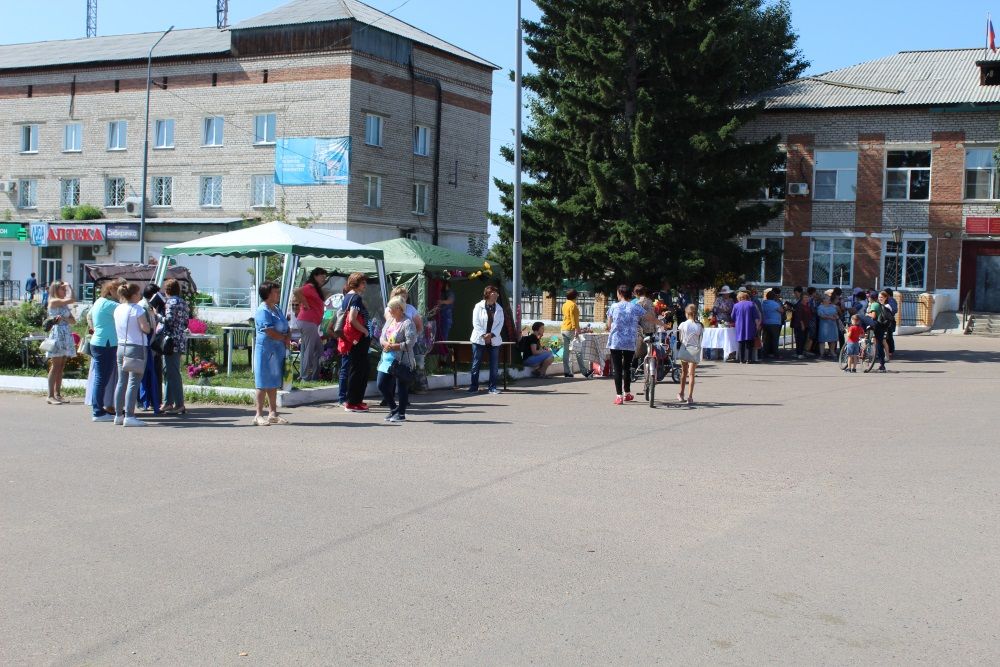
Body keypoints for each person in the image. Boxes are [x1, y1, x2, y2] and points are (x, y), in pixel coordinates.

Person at [113, 282, 152, 427]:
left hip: (121, 346)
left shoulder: (118, 308)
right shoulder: (138, 309)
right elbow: (145, 329)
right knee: (133, 382)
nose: (140, 295)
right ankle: (129, 415)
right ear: (134, 295)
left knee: (121, 381)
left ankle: (118, 415)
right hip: (136, 347)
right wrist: (149, 325)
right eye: (138, 293)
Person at [253, 281, 291, 426]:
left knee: (274, 381)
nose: (278, 294)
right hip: (265, 350)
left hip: (278, 349)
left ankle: (273, 413)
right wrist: (284, 338)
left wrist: (288, 335)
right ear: (268, 294)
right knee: (262, 382)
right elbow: (268, 331)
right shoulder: (263, 310)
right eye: (275, 292)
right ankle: (258, 415)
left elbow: (285, 325)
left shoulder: (276, 308)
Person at [377, 296, 417, 423]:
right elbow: (382, 337)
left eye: (392, 308)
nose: (389, 311)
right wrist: (384, 343)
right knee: (381, 384)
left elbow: (411, 343)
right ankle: (394, 408)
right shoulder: (390, 321)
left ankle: (401, 414)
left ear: (399, 309)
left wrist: (395, 346)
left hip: (401, 360)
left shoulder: (407, 323)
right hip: (387, 358)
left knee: (401, 388)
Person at [606, 284, 647, 405]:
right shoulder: (635, 307)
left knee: (618, 369)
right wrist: (661, 323)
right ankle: (627, 393)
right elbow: (648, 317)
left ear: (620, 293)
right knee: (627, 367)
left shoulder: (613, 306)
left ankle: (619, 396)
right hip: (629, 341)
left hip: (616, 341)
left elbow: (609, 324)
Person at [88, 280, 122, 421]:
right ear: (111, 291)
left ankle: (98, 409)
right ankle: (97, 411)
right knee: (101, 379)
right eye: (118, 291)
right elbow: (125, 309)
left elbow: (88, 316)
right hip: (105, 344)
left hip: (99, 342)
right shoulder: (110, 304)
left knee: (101, 378)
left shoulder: (99, 302)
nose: (120, 294)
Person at [339, 272, 372, 412]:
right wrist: (365, 331)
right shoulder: (356, 298)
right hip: (358, 339)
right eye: (363, 283)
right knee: (358, 370)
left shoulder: (348, 296)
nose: (365, 285)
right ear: (356, 283)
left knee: (359, 369)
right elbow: (352, 318)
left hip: (354, 339)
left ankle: (356, 400)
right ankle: (352, 402)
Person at [44, 281, 76, 405]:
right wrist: (69, 285)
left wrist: (64, 319)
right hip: (57, 334)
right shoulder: (54, 301)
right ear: (56, 290)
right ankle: (50, 395)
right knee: (55, 365)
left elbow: (73, 321)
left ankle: (57, 394)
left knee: (61, 366)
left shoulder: (64, 305)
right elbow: (72, 299)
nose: (65, 291)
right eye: (63, 289)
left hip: (66, 334)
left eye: (65, 289)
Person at [469, 285, 505, 394]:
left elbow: (500, 324)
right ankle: (474, 387)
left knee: (494, 365)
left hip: (494, 339)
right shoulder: (478, 306)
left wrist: (492, 335)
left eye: (496, 294)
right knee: (476, 363)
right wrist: (484, 335)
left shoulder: (499, 308)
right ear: (487, 295)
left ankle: (492, 387)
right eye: (493, 294)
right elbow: (476, 323)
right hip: (479, 339)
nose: (495, 296)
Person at [161, 278, 189, 415]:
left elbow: (169, 321)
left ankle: (179, 404)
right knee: (169, 371)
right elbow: (185, 322)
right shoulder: (183, 302)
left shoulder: (170, 303)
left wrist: (157, 315)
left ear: (167, 290)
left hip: (171, 341)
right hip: (180, 339)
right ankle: (168, 402)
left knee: (172, 373)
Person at [296, 268, 328, 381]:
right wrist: (304, 303)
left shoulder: (316, 289)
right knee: (311, 351)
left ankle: (313, 376)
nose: (324, 278)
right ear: (315, 276)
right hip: (307, 322)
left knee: (316, 350)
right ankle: (305, 377)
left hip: (311, 323)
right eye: (322, 276)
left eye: (325, 276)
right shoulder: (310, 286)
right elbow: (297, 291)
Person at [138, 283, 165, 414]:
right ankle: (145, 401)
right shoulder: (143, 306)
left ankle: (151, 400)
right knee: (147, 374)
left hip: (152, 344)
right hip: (147, 344)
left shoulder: (149, 306)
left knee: (153, 374)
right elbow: (146, 327)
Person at [675, 304, 703, 404]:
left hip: (685, 349)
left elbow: (680, 338)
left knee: (684, 372)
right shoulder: (699, 325)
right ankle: (690, 396)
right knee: (692, 374)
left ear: (687, 313)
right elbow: (700, 338)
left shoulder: (683, 324)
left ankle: (681, 394)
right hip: (695, 349)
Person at [560, 289, 589, 378]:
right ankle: (584, 372)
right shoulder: (573, 305)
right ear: (575, 296)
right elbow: (574, 319)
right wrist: (577, 330)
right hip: (571, 330)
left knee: (566, 351)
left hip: (564, 329)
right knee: (578, 351)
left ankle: (567, 371)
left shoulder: (564, 304)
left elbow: (566, 317)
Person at [867, 290, 893, 373]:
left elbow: (875, 316)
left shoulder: (884, 306)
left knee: (881, 343)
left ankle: (883, 360)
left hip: (880, 326)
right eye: (879, 297)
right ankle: (880, 362)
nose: (880, 298)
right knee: (879, 343)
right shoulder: (880, 305)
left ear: (886, 298)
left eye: (882, 297)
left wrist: (867, 314)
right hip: (881, 326)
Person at [731, 290, 760, 364]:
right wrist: (757, 326)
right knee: (749, 343)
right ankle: (749, 359)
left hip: (740, 326)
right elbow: (756, 317)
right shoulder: (752, 304)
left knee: (741, 343)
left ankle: (741, 360)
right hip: (750, 326)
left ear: (739, 298)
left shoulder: (736, 305)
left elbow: (732, 317)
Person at [709, 285, 735, 360]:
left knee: (726, 338)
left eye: (727, 293)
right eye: (725, 293)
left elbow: (733, 310)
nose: (726, 294)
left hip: (728, 321)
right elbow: (714, 309)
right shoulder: (718, 299)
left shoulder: (731, 300)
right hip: (719, 320)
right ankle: (716, 355)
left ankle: (725, 354)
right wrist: (723, 310)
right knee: (718, 337)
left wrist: (728, 311)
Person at [760, 288, 784, 359]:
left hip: (765, 323)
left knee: (766, 339)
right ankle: (776, 354)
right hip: (775, 323)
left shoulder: (763, 303)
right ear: (773, 297)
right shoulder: (775, 304)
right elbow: (781, 311)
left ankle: (765, 353)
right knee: (775, 339)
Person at [816, 294, 840, 358]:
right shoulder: (820, 307)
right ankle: (822, 353)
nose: (829, 299)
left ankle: (832, 352)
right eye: (827, 298)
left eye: (829, 298)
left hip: (832, 325)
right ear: (823, 300)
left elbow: (836, 314)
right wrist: (830, 317)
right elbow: (820, 315)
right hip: (824, 326)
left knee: (833, 339)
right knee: (822, 340)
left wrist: (836, 317)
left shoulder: (833, 306)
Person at [790, 286, 810, 359]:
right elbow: (799, 316)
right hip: (800, 325)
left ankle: (799, 352)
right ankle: (799, 353)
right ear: (802, 298)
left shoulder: (806, 305)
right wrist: (802, 325)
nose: (806, 299)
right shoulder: (799, 305)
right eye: (805, 297)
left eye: (807, 297)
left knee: (803, 339)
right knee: (800, 339)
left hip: (806, 324)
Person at [437, 279, 455, 343]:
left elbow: (450, 300)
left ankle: (444, 350)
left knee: (444, 335)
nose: (441, 285)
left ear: (446, 285)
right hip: (440, 316)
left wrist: (441, 302)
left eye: (442, 284)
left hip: (446, 317)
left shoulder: (450, 292)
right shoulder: (442, 292)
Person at [884, 290, 898, 358]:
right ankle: (889, 351)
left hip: (889, 321)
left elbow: (894, 310)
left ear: (888, 294)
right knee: (888, 336)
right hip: (888, 320)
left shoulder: (891, 300)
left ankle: (890, 351)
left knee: (888, 336)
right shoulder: (889, 300)